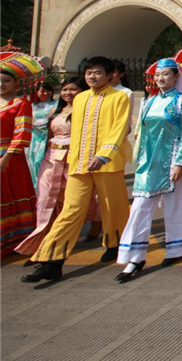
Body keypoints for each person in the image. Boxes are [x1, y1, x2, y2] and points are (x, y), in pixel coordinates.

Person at [23, 56, 131, 283]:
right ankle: (51, 260)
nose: (92, 76)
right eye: (89, 73)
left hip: (108, 163)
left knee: (114, 207)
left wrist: (104, 155)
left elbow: (119, 129)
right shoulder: (80, 99)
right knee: (70, 211)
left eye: (98, 72)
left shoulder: (119, 98)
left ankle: (116, 244)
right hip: (79, 163)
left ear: (110, 74)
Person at [115, 59, 182, 282]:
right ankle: (135, 256)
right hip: (149, 162)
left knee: (175, 205)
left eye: (166, 75)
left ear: (176, 77)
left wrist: (181, 162)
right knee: (140, 207)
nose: (161, 79)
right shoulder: (148, 102)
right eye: (158, 75)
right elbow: (141, 132)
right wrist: (138, 159)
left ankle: (176, 248)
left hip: (172, 160)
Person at [16, 78, 100, 257]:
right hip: (51, 158)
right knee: (45, 197)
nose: (68, 93)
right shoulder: (56, 110)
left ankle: (96, 219)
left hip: (74, 158)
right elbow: (49, 133)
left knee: (73, 199)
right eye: (65, 90)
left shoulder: (87, 110)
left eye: (73, 89)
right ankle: (42, 236)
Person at [1, 53, 39, 258]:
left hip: (9, 157)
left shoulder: (19, 103)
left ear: (16, 84)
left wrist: (6, 157)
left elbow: (22, 132)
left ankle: (14, 238)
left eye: (6, 81)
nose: (1, 84)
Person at [28, 82, 58, 184]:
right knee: (32, 161)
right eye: (42, 91)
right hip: (34, 136)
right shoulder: (32, 105)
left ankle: (42, 183)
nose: (45, 93)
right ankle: (33, 186)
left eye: (47, 91)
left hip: (47, 134)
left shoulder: (56, 104)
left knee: (40, 160)